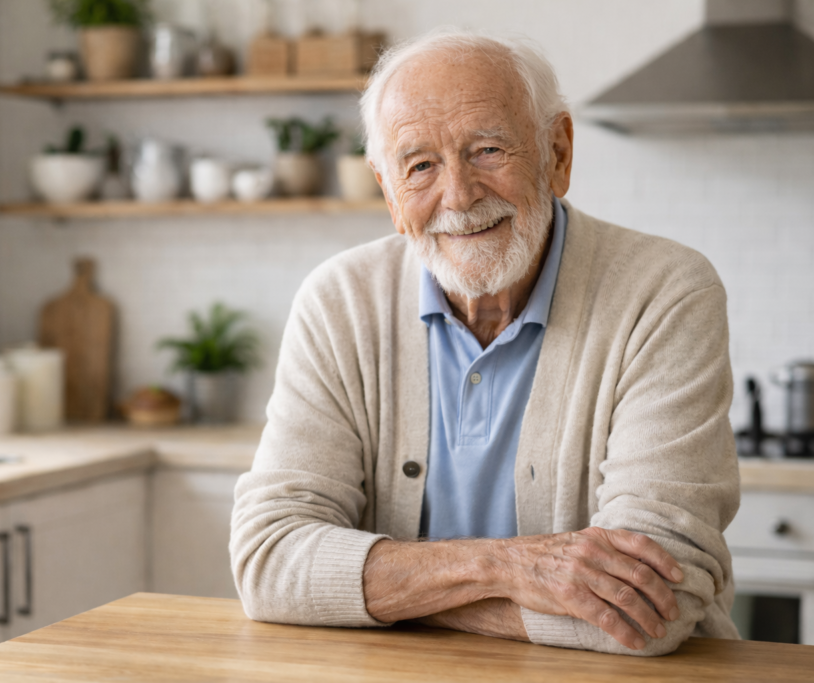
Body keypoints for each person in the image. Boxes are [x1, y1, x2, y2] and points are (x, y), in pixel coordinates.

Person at [230, 28, 740, 656]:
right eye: (419, 166)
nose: (459, 195)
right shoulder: (339, 300)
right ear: (388, 191)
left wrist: (385, 593)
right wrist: (505, 567)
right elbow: (269, 564)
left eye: (489, 150)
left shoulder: (664, 292)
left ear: (558, 153)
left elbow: (652, 604)